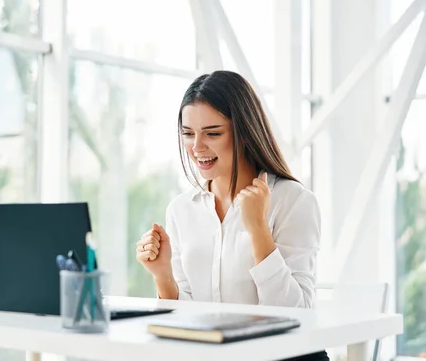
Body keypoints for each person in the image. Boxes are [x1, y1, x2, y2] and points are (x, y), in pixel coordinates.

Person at [136, 71, 327, 360]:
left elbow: (296, 317)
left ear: (245, 133)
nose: (197, 147)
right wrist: (163, 277)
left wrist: (258, 228)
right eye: (188, 134)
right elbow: (188, 319)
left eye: (212, 133)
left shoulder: (294, 201)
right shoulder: (181, 210)